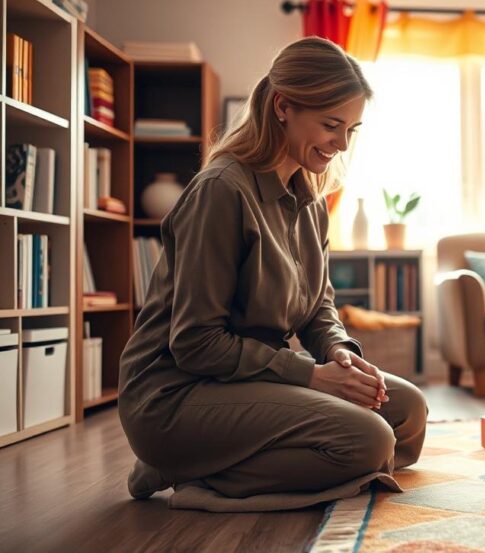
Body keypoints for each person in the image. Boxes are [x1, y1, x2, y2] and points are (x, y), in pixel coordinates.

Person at [117, 37, 427, 505]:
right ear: (283, 107)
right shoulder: (222, 191)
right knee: (370, 441)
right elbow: (196, 343)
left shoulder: (311, 200)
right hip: (176, 395)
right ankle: (187, 471)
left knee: (406, 411)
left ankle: (217, 459)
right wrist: (312, 377)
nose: (342, 143)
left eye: (352, 129)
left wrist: (341, 354)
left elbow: (317, 307)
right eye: (331, 125)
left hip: (249, 383)